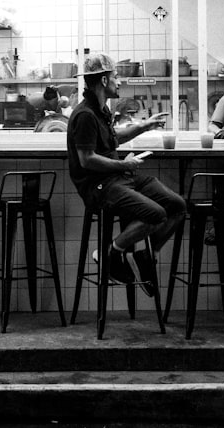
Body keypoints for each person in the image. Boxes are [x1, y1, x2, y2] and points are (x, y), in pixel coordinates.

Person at [66, 52, 187, 293]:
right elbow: (87, 159)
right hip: (99, 187)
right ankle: (110, 253)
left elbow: (113, 140)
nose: (119, 81)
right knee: (156, 214)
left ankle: (146, 255)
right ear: (103, 81)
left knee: (177, 206)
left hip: (119, 179)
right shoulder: (85, 115)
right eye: (116, 77)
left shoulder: (101, 110)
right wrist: (124, 165)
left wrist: (144, 126)